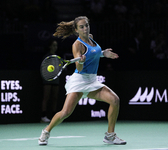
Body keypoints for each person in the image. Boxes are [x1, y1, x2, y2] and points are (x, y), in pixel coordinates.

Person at [38, 16, 126, 145]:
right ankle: (46, 131)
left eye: (86, 25)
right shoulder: (77, 45)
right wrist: (80, 61)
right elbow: (78, 67)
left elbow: (94, 53)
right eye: (82, 27)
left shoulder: (90, 38)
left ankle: (110, 136)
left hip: (92, 81)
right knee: (65, 112)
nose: (85, 28)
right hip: (79, 82)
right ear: (76, 30)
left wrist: (103, 53)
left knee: (115, 100)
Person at [40, 40, 60, 123]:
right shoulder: (47, 57)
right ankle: (43, 116)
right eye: (53, 45)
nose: (55, 47)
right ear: (50, 46)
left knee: (55, 98)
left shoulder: (57, 57)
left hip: (56, 79)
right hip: (48, 79)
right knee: (46, 97)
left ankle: (53, 117)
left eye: (56, 45)